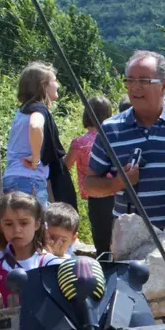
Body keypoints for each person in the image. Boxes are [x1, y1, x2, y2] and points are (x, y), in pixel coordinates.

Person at [84, 50, 165, 229]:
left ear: (164, 85)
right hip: (131, 243)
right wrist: (118, 182)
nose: (135, 87)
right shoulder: (110, 129)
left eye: (144, 81)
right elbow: (89, 185)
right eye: (130, 80)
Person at [0, 191, 56, 306]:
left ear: (37, 224)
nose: (17, 230)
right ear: (1, 226)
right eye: (9, 224)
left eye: (24, 223)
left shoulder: (49, 263)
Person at [3, 62, 69, 206]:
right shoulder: (38, 109)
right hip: (29, 180)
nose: (58, 85)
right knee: (36, 227)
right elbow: (35, 126)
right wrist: (35, 158)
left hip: (12, 178)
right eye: (54, 80)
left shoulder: (22, 111)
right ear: (43, 85)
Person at [69, 95, 116, 255]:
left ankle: (104, 271)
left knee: (101, 241)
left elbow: (65, 166)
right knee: (118, 238)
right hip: (117, 192)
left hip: (95, 196)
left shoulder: (78, 143)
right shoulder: (114, 139)